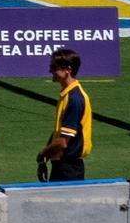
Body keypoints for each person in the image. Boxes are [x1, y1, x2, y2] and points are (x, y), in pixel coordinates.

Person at [38, 46, 93, 182]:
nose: (50, 70)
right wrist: (45, 160)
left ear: (68, 70)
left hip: (69, 169)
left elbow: (63, 142)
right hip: (63, 165)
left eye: (54, 67)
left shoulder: (74, 99)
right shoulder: (68, 94)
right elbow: (60, 132)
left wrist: (42, 154)